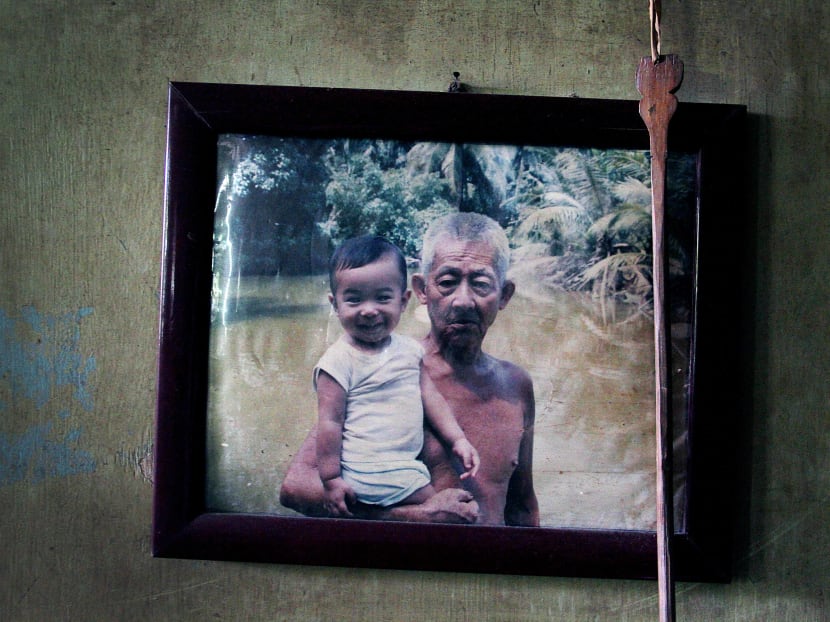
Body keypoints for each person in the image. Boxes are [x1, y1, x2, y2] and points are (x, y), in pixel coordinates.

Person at [280, 213, 539, 526]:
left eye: (481, 284)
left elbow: (522, 506)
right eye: (446, 282)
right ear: (421, 290)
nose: (462, 301)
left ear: (504, 295)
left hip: (486, 571)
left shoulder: (516, 385)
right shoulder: (385, 368)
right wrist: (410, 516)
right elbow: (296, 486)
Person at [315, 235, 479, 516]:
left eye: (383, 298)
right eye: (353, 300)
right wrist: (331, 480)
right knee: (452, 512)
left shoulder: (409, 350)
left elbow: (431, 398)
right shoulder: (337, 361)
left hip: (401, 467)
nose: (369, 310)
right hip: (370, 472)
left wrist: (458, 440)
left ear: (403, 301)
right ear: (335, 304)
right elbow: (329, 422)